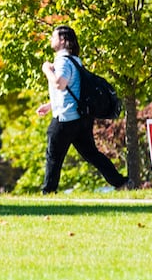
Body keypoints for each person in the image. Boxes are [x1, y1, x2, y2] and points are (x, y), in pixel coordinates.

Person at [41, 24, 127, 193]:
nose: (51, 39)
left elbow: (60, 83)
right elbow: (72, 90)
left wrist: (46, 70)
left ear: (63, 40)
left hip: (66, 118)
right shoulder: (75, 61)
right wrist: (50, 106)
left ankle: (48, 192)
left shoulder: (63, 61)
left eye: (54, 36)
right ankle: (121, 182)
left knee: (53, 156)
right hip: (80, 118)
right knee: (92, 155)